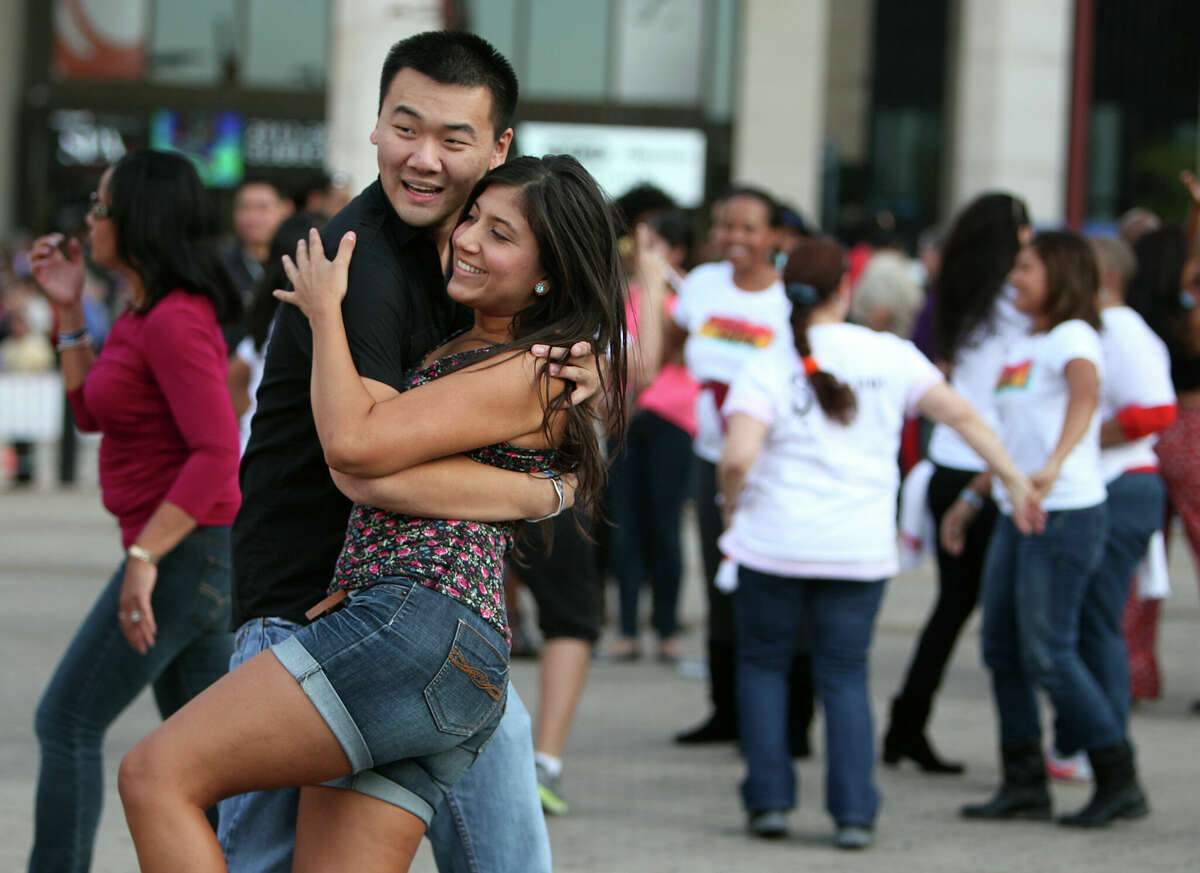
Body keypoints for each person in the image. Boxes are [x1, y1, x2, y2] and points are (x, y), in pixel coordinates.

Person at [119, 153, 625, 872]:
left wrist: (325, 314)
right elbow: (373, 463)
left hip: (415, 623)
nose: (471, 238)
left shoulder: (534, 366)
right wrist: (541, 491)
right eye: (473, 217)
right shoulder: (488, 350)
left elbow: (353, 445)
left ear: (550, 274)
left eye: (501, 234)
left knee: (154, 775)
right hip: (448, 650)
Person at [209, 32, 582, 873]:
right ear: (373, 127)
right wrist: (540, 494)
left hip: (426, 611)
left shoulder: (474, 258)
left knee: (503, 851)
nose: (423, 159)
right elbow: (359, 455)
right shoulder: (361, 257)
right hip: (310, 604)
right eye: (404, 128)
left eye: (453, 140)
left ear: (498, 148)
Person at [717, 238, 1037, 848]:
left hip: (771, 542)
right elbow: (965, 417)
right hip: (857, 549)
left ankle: (769, 803)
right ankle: (854, 814)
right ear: (846, 289)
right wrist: (1014, 478)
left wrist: (733, 510)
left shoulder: (765, 362)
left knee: (763, 667)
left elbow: (736, 458)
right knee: (844, 675)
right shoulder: (891, 356)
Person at [27, 149, 242, 873]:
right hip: (188, 555)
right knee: (201, 760)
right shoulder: (140, 309)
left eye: (100, 204)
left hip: (185, 555)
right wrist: (65, 305)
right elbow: (92, 410)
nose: (89, 217)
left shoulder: (176, 321)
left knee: (66, 721)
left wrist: (145, 560)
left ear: (138, 218)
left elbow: (217, 453)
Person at [954, 230, 1149, 827]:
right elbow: (1011, 435)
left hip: (1065, 512)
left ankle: (1118, 776)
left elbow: (1086, 396)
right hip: (1020, 509)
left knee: (1049, 652)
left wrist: (1057, 463)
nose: (1014, 277)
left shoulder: (1073, 335)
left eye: (1026, 268)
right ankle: (1023, 783)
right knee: (1002, 649)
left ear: (1059, 275)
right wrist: (972, 495)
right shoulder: (1026, 340)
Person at [883, 192, 1031, 774]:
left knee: (953, 608)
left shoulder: (946, 301)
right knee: (994, 615)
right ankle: (1019, 753)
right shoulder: (1014, 307)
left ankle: (906, 726)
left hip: (949, 464)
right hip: (988, 470)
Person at [667, 187, 813, 751]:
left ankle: (794, 722)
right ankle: (725, 711)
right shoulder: (702, 285)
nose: (734, 238)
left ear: (776, 236)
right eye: (725, 225)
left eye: (749, 228)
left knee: (780, 585)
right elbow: (671, 346)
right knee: (718, 582)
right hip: (712, 458)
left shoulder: (788, 298)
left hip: (776, 467)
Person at [606, 210, 697, 662]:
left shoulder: (689, 298)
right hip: (626, 421)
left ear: (675, 251)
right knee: (624, 528)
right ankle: (625, 629)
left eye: (650, 243)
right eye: (635, 243)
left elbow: (656, 360)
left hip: (673, 420)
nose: (638, 253)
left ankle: (666, 629)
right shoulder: (627, 296)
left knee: (665, 527)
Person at [1126, 222, 1200, 712]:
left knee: (1137, 562)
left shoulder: (1136, 317)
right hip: (1192, 427)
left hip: (1144, 435)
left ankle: (1130, 673)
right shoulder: (1189, 314)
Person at [227, 211, 327, 453]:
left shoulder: (273, 313)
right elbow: (234, 378)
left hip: (260, 451)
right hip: (277, 458)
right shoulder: (299, 320)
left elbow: (234, 378)